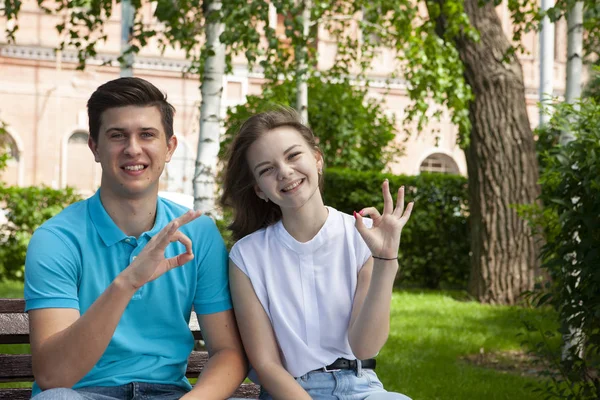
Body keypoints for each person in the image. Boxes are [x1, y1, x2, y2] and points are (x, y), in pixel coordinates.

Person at [24, 77, 247, 400]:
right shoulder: (56, 240)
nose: (133, 148)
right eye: (117, 136)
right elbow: (54, 376)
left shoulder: (198, 233)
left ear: (169, 148)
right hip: (84, 393)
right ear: (95, 148)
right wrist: (127, 283)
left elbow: (228, 352)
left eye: (147, 135)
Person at [220, 107, 413, 400]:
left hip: (362, 388)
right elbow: (266, 364)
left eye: (293, 155)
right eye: (266, 169)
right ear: (259, 189)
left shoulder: (361, 236)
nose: (284, 172)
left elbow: (365, 347)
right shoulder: (247, 257)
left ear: (317, 159)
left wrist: (385, 261)